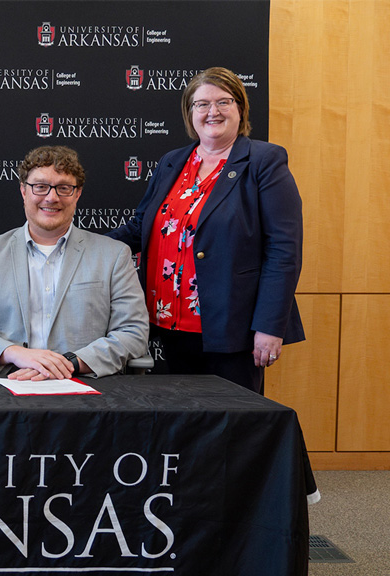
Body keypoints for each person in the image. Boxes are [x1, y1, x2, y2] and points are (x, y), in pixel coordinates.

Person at [108, 67, 305, 394]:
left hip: (232, 328)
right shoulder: (173, 161)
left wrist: (270, 327)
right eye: (201, 104)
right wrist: (77, 245)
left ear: (240, 109)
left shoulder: (264, 161)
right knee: (184, 426)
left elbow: (284, 252)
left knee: (233, 428)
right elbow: (139, 228)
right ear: (190, 113)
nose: (212, 111)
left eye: (223, 102)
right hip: (168, 322)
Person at [0, 145, 149, 380]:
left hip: (84, 386)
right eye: (40, 187)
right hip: (5, 384)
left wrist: (71, 363)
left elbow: (133, 332)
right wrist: (16, 354)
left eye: (63, 188)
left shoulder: (114, 255)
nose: (51, 197)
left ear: (77, 193)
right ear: (23, 191)